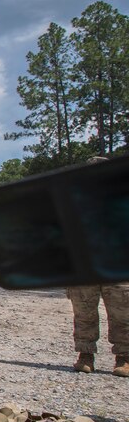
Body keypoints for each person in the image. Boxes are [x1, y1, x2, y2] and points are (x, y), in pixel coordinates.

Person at [66, 157, 129, 377]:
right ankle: (85, 355)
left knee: (123, 313)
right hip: (85, 266)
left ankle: (124, 358)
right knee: (84, 313)